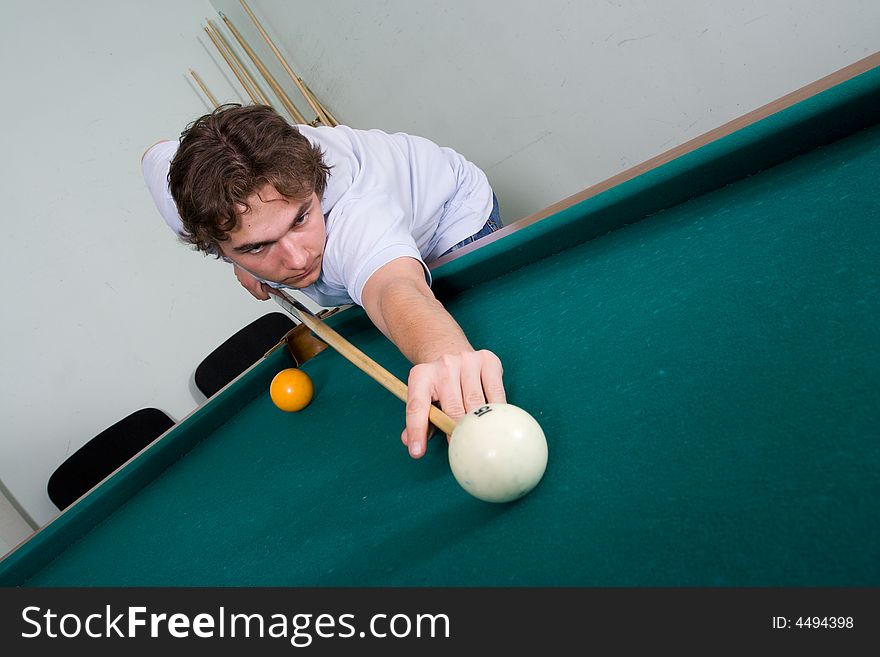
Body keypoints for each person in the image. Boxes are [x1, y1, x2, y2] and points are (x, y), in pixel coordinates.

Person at [142, 104, 506, 459]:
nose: (298, 259)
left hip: (448, 216)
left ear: (316, 187)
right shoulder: (183, 199)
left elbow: (393, 288)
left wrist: (446, 358)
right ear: (210, 239)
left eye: (300, 219)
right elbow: (153, 155)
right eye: (257, 245)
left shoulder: (356, 217)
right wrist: (242, 261)